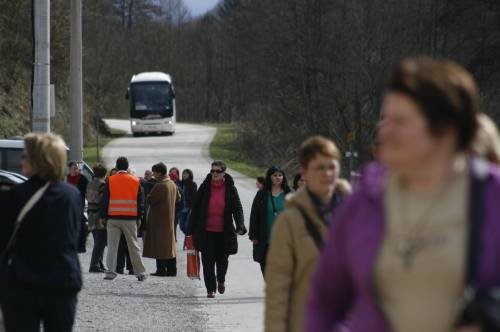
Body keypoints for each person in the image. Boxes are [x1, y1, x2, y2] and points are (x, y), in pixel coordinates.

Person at [305, 58, 500, 332]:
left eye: (400, 121)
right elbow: (324, 302)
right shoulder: (364, 202)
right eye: (385, 118)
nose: (384, 129)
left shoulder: (492, 197)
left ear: (445, 130)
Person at [265, 136, 351, 332]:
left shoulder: (354, 214)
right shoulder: (289, 221)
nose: (327, 173)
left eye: (332, 166)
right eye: (319, 167)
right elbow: (277, 291)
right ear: (304, 171)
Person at [1, 133, 83, 331]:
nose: (21, 160)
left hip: (23, 281)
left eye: (24, 156)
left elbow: (3, 241)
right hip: (64, 281)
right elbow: (78, 241)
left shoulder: (15, 195)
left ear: (38, 161)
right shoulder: (72, 195)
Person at [187, 160, 247, 298]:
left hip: (224, 232)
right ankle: (210, 289)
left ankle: (221, 280)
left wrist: (240, 225)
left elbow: (237, 209)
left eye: (218, 171)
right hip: (206, 231)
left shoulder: (230, 188)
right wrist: (190, 231)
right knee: (207, 261)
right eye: (212, 171)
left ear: (223, 173)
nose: (214, 173)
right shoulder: (205, 187)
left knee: (222, 261)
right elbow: (195, 209)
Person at [100, 156, 147, 281]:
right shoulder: (136, 180)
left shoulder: (110, 180)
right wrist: (140, 216)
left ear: (116, 166)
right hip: (130, 218)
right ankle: (140, 272)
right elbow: (140, 201)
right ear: (127, 167)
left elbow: (105, 200)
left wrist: (103, 216)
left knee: (112, 246)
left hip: (113, 218)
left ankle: (110, 272)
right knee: (133, 246)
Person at [249, 166, 291, 276]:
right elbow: (254, 215)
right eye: (275, 175)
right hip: (265, 238)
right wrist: (253, 235)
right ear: (270, 177)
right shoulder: (262, 194)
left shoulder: (290, 194)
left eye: (280, 175)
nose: (278, 178)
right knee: (266, 267)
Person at [143, 162, 180, 276]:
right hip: (169, 219)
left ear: (159, 173)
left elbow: (150, 199)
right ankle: (172, 270)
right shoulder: (172, 184)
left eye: (154, 173)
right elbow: (179, 198)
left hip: (159, 220)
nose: (153, 175)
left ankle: (161, 270)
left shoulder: (160, 186)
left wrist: (147, 194)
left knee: (160, 245)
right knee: (169, 246)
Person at [87, 164, 108, 273]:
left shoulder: (90, 184)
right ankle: (94, 265)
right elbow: (103, 201)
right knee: (100, 242)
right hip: (99, 215)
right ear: (104, 174)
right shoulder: (103, 185)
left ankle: (99, 263)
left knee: (97, 240)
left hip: (90, 214)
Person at [178, 169, 198, 235]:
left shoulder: (193, 184)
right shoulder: (180, 183)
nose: (184, 175)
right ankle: (190, 237)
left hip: (189, 208)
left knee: (187, 226)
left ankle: (190, 239)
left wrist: (193, 208)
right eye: (183, 173)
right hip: (181, 209)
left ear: (190, 175)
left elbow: (195, 197)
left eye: (186, 174)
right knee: (181, 226)